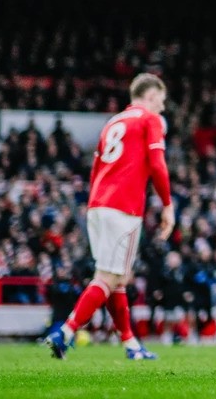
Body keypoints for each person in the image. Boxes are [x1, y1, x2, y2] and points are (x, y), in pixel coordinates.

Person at [44, 74, 173, 361]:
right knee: (108, 277)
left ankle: (130, 345)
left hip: (97, 205)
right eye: (161, 101)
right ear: (151, 96)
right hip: (123, 208)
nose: (161, 108)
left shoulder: (112, 122)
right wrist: (168, 205)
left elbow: (95, 170)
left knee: (117, 277)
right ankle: (65, 332)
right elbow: (157, 165)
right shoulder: (148, 119)